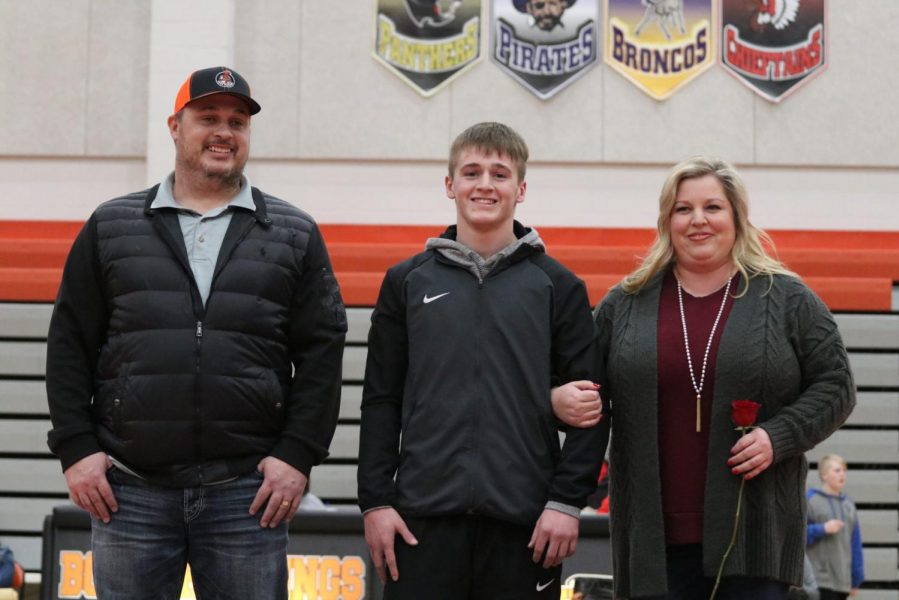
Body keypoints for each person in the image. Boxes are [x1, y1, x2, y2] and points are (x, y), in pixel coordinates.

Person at [45, 66, 347, 600]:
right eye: (207, 117)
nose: (224, 131)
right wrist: (75, 447)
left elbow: (322, 353)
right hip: (129, 492)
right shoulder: (112, 225)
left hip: (248, 494)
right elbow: (70, 341)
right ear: (174, 127)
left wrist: (297, 455)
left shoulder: (293, 233)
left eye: (237, 121)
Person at [553, 156, 855, 599]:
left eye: (712, 207)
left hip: (754, 541)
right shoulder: (624, 304)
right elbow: (584, 399)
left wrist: (780, 435)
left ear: (736, 216)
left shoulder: (787, 297)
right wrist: (558, 399)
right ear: (666, 221)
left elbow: (837, 385)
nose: (698, 220)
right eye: (682, 209)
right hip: (652, 547)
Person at [357, 122, 608, 599]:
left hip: (527, 526)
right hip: (421, 522)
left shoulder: (559, 286)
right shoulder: (407, 282)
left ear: (521, 188)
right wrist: (374, 502)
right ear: (450, 185)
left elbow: (593, 408)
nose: (485, 185)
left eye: (500, 173)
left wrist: (565, 503)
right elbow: (381, 399)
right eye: (471, 172)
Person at [806, 454, 864, 600]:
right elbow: (796, 536)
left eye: (844, 470)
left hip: (843, 582)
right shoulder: (810, 499)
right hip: (818, 581)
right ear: (824, 475)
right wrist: (822, 529)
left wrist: (856, 579)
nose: (842, 474)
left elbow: (855, 543)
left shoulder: (848, 504)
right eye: (837, 470)